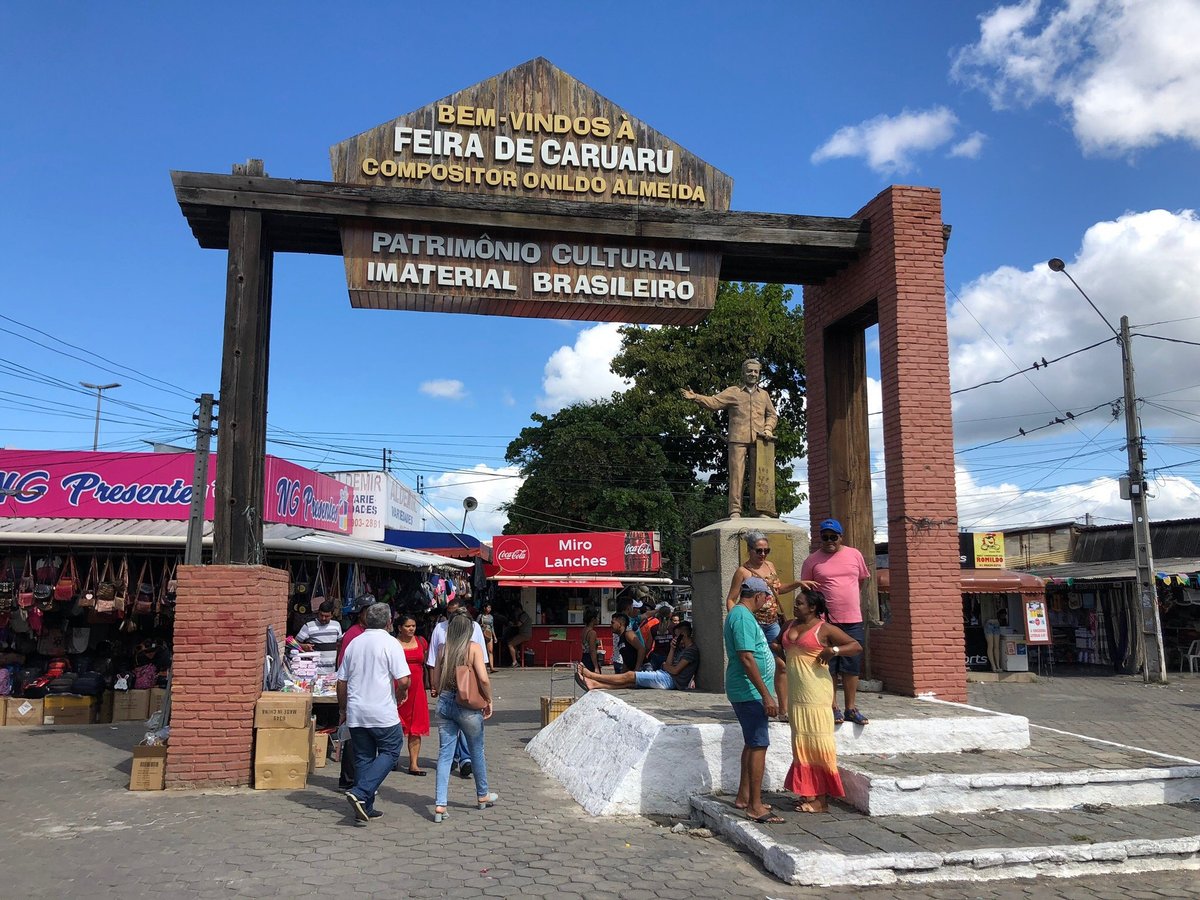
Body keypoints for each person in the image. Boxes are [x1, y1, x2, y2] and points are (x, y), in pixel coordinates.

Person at [781, 589, 862, 813]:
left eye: (800, 603)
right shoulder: (788, 625)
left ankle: (821, 800)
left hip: (816, 695)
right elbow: (779, 646)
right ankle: (808, 793)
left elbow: (856, 646)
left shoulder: (824, 628)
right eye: (795, 603)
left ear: (813, 607)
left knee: (819, 745)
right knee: (802, 747)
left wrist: (833, 650)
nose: (795, 606)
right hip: (796, 697)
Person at [336, 602, 411, 823]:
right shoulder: (391, 643)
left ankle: (365, 807)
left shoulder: (354, 643)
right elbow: (404, 679)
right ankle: (360, 792)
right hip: (382, 711)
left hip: (357, 711)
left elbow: (341, 681)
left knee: (363, 758)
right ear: (389, 622)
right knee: (391, 750)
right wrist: (401, 693)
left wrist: (343, 708)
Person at [681, 358, 779, 518]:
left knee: (760, 475)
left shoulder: (764, 395)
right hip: (737, 439)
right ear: (743, 373)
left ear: (759, 374)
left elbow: (772, 415)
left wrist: (768, 428)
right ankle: (735, 510)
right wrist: (696, 397)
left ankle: (759, 510)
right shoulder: (734, 392)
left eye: (756, 371)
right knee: (736, 475)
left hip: (760, 440)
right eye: (749, 371)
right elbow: (714, 402)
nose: (753, 374)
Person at [800, 518, 871, 726]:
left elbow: (860, 581)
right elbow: (806, 591)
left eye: (834, 537)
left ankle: (850, 707)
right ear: (819, 538)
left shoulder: (854, 555)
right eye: (825, 537)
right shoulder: (812, 560)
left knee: (851, 665)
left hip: (852, 618)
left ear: (841, 537)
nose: (829, 540)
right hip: (824, 622)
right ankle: (832, 707)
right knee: (827, 666)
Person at [724, 576, 783, 824]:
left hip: (751, 691)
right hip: (749, 691)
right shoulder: (742, 616)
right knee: (759, 744)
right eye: (766, 597)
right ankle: (755, 806)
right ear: (758, 596)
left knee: (752, 743)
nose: (767, 602)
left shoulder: (744, 615)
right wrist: (767, 695)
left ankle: (744, 796)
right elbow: (747, 657)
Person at [430, 612, 497, 823]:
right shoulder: (474, 648)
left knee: (445, 755)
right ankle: (482, 794)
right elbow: (484, 679)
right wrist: (488, 700)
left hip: (444, 703)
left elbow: (435, 682)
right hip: (467, 706)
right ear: (468, 630)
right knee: (477, 750)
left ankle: (440, 804)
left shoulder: (442, 649)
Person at [725, 530, 796, 721]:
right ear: (750, 550)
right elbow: (731, 598)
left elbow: (777, 590)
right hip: (753, 622)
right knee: (753, 661)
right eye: (759, 550)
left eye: (766, 550)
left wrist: (797, 583)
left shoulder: (770, 566)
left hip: (772, 622)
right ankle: (758, 699)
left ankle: (783, 709)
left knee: (781, 664)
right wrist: (739, 618)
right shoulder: (743, 572)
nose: (763, 554)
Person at [426, 598, 489, 779]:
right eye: (449, 612)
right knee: (466, 736)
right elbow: (433, 662)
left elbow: (482, 665)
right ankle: (480, 790)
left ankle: (441, 801)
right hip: (448, 689)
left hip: (468, 687)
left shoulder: (475, 628)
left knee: (450, 743)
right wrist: (434, 685)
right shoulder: (440, 629)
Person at [577, 621, 698, 691]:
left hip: (669, 680)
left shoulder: (691, 651)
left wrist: (666, 666)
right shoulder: (680, 649)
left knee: (630, 675)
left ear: (683, 635)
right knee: (630, 683)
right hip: (666, 676)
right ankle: (595, 684)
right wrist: (672, 648)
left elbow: (675, 670)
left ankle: (591, 675)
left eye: (677, 636)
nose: (675, 638)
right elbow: (669, 664)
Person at [335, 597, 375, 790]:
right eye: (368, 611)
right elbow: (344, 670)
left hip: (365, 693)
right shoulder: (353, 634)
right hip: (355, 693)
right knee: (353, 740)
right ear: (360, 613)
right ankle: (349, 780)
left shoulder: (368, 633)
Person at [395, 614, 431, 776]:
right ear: (399, 628)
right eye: (408, 626)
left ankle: (414, 764)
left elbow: (430, 664)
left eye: (413, 626)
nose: (411, 629)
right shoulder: (393, 643)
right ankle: (392, 759)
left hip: (417, 689)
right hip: (398, 688)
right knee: (394, 724)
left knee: (416, 727)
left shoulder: (421, 641)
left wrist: (433, 685)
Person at [296, 599, 343, 673]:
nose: (323, 618)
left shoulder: (336, 625)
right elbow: (293, 643)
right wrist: (303, 646)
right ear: (318, 613)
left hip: (331, 672)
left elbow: (340, 644)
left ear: (332, 615)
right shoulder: (309, 626)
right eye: (321, 615)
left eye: (326, 616)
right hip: (313, 671)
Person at [647, 604, 675, 670]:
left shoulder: (653, 628)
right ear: (670, 615)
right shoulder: (674, 627)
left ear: (659, 615)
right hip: (670, 658)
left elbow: (648, 646)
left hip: (656, 657)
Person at [580, 608, 603, 673]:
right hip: (590, 660)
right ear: (593, 619)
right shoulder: (592, 633)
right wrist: (596, 667)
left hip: (584, 658)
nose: (598, 619)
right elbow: (592, 651)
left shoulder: (584, 630)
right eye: (597, 618)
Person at [479, 602, 497, 673]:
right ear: (484, 608)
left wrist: (494, 636)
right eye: (488, 607)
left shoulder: (491, 617)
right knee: (483, 651)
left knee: (490, 651)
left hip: (489, 634)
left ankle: (492, 667)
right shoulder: (480, 616)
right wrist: (481, 625)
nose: (489, 609)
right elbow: (476, 624)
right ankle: (484, 667)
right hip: (482, 634)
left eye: (490, 608)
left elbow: (492, 627)